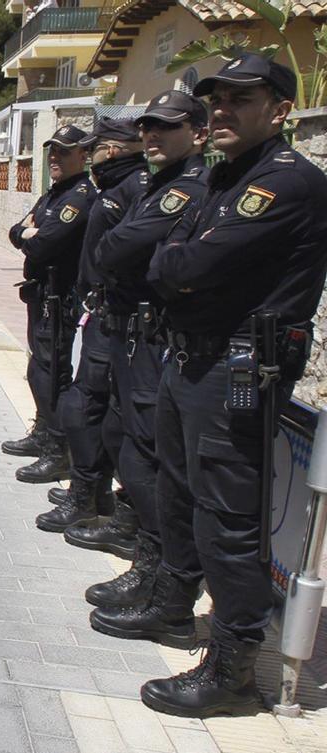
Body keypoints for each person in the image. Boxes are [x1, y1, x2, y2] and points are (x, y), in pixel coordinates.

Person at [106, 54, 327, 718]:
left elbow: (184, 262)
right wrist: (179, 262)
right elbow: (171, 262)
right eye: (218, 99)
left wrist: (178, 261)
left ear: (281, 110)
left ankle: (231, 667)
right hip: (191, 359)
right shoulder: (228, 179)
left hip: (235, 374)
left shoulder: (285, 183)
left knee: (228, 519)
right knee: (178, 490)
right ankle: (174, 603)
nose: (224, 109)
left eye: (242, 98)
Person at [84, 92, 209, 611]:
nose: (152, 135)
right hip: (136, 331)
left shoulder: (187, 188)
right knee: (129, 442)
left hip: (157, 336)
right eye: (148, 126)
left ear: (197, 133)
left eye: (166, 126)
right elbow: (116, 247)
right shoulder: (160, 183)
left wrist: (121, 245)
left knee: (147, 456)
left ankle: (160, 575)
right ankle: (144, 551)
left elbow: (119, 248)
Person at [36, 118, 148, 534]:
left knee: (92, 410)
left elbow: (118, 251)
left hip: (119, 317)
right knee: (86, 407)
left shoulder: (134, 190)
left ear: (112, 150)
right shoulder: (112, 189)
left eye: (93, 147)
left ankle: (95, 500)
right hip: (101, 313)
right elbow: (29, 235)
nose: (89, 154)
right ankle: (89, 491)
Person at [3, 125, 94, 484]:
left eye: (63, 152)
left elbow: (43, 245)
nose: (55, 158)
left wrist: (30, 234)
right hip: (41, 294)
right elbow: (16, 232)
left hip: (60, 298)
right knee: (39, 369)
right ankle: (43, 432)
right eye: (52, 151)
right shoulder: (54, 195)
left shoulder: (80, 196)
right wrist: (25, 232)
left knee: (52, 372)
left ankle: (59, 451)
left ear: (82, 155)